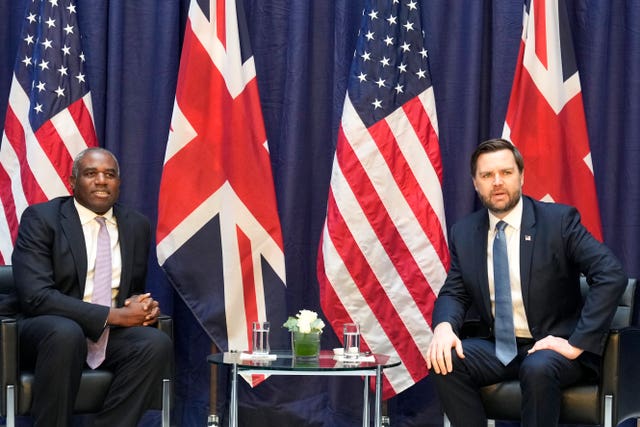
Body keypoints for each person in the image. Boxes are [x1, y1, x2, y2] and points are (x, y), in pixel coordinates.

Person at [426, 138, 627, 427]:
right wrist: (444, 327)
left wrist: (575, 344)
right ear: (475, 183)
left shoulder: (558, 221)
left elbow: (611, 274)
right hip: (498, 347)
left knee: (538, 367)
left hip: (555, 347)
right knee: (444, 359)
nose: (497, 182)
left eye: (506, 173)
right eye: (487, 175)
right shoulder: (465, 232)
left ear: (521, 176)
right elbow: (454, 293)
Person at [11, 147, 172, 427]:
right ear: (72, 182)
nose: (101, 180)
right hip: (45, 329)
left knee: (154, 343)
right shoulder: (41, 219)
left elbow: (131, 289)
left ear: (118, 184)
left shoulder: (136, 225)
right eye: (91, 174)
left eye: (109, 174)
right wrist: (114, 316)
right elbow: (35, 297)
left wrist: (142, 307)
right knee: (66, 333)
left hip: (106, 334)